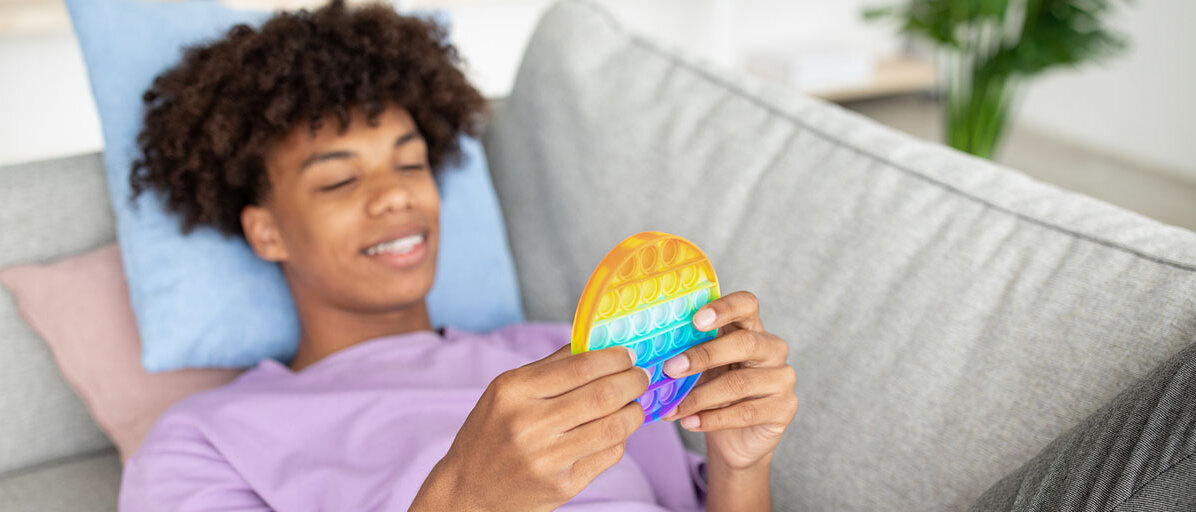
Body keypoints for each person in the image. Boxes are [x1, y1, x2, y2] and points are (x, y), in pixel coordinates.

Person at [118, 1, 799, 510]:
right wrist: (465, 494)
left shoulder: (577, 349)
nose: (394, 198)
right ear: (265, 231)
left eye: (411, 166)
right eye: (340, 179)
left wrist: (742, 463)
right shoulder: (206, 438)